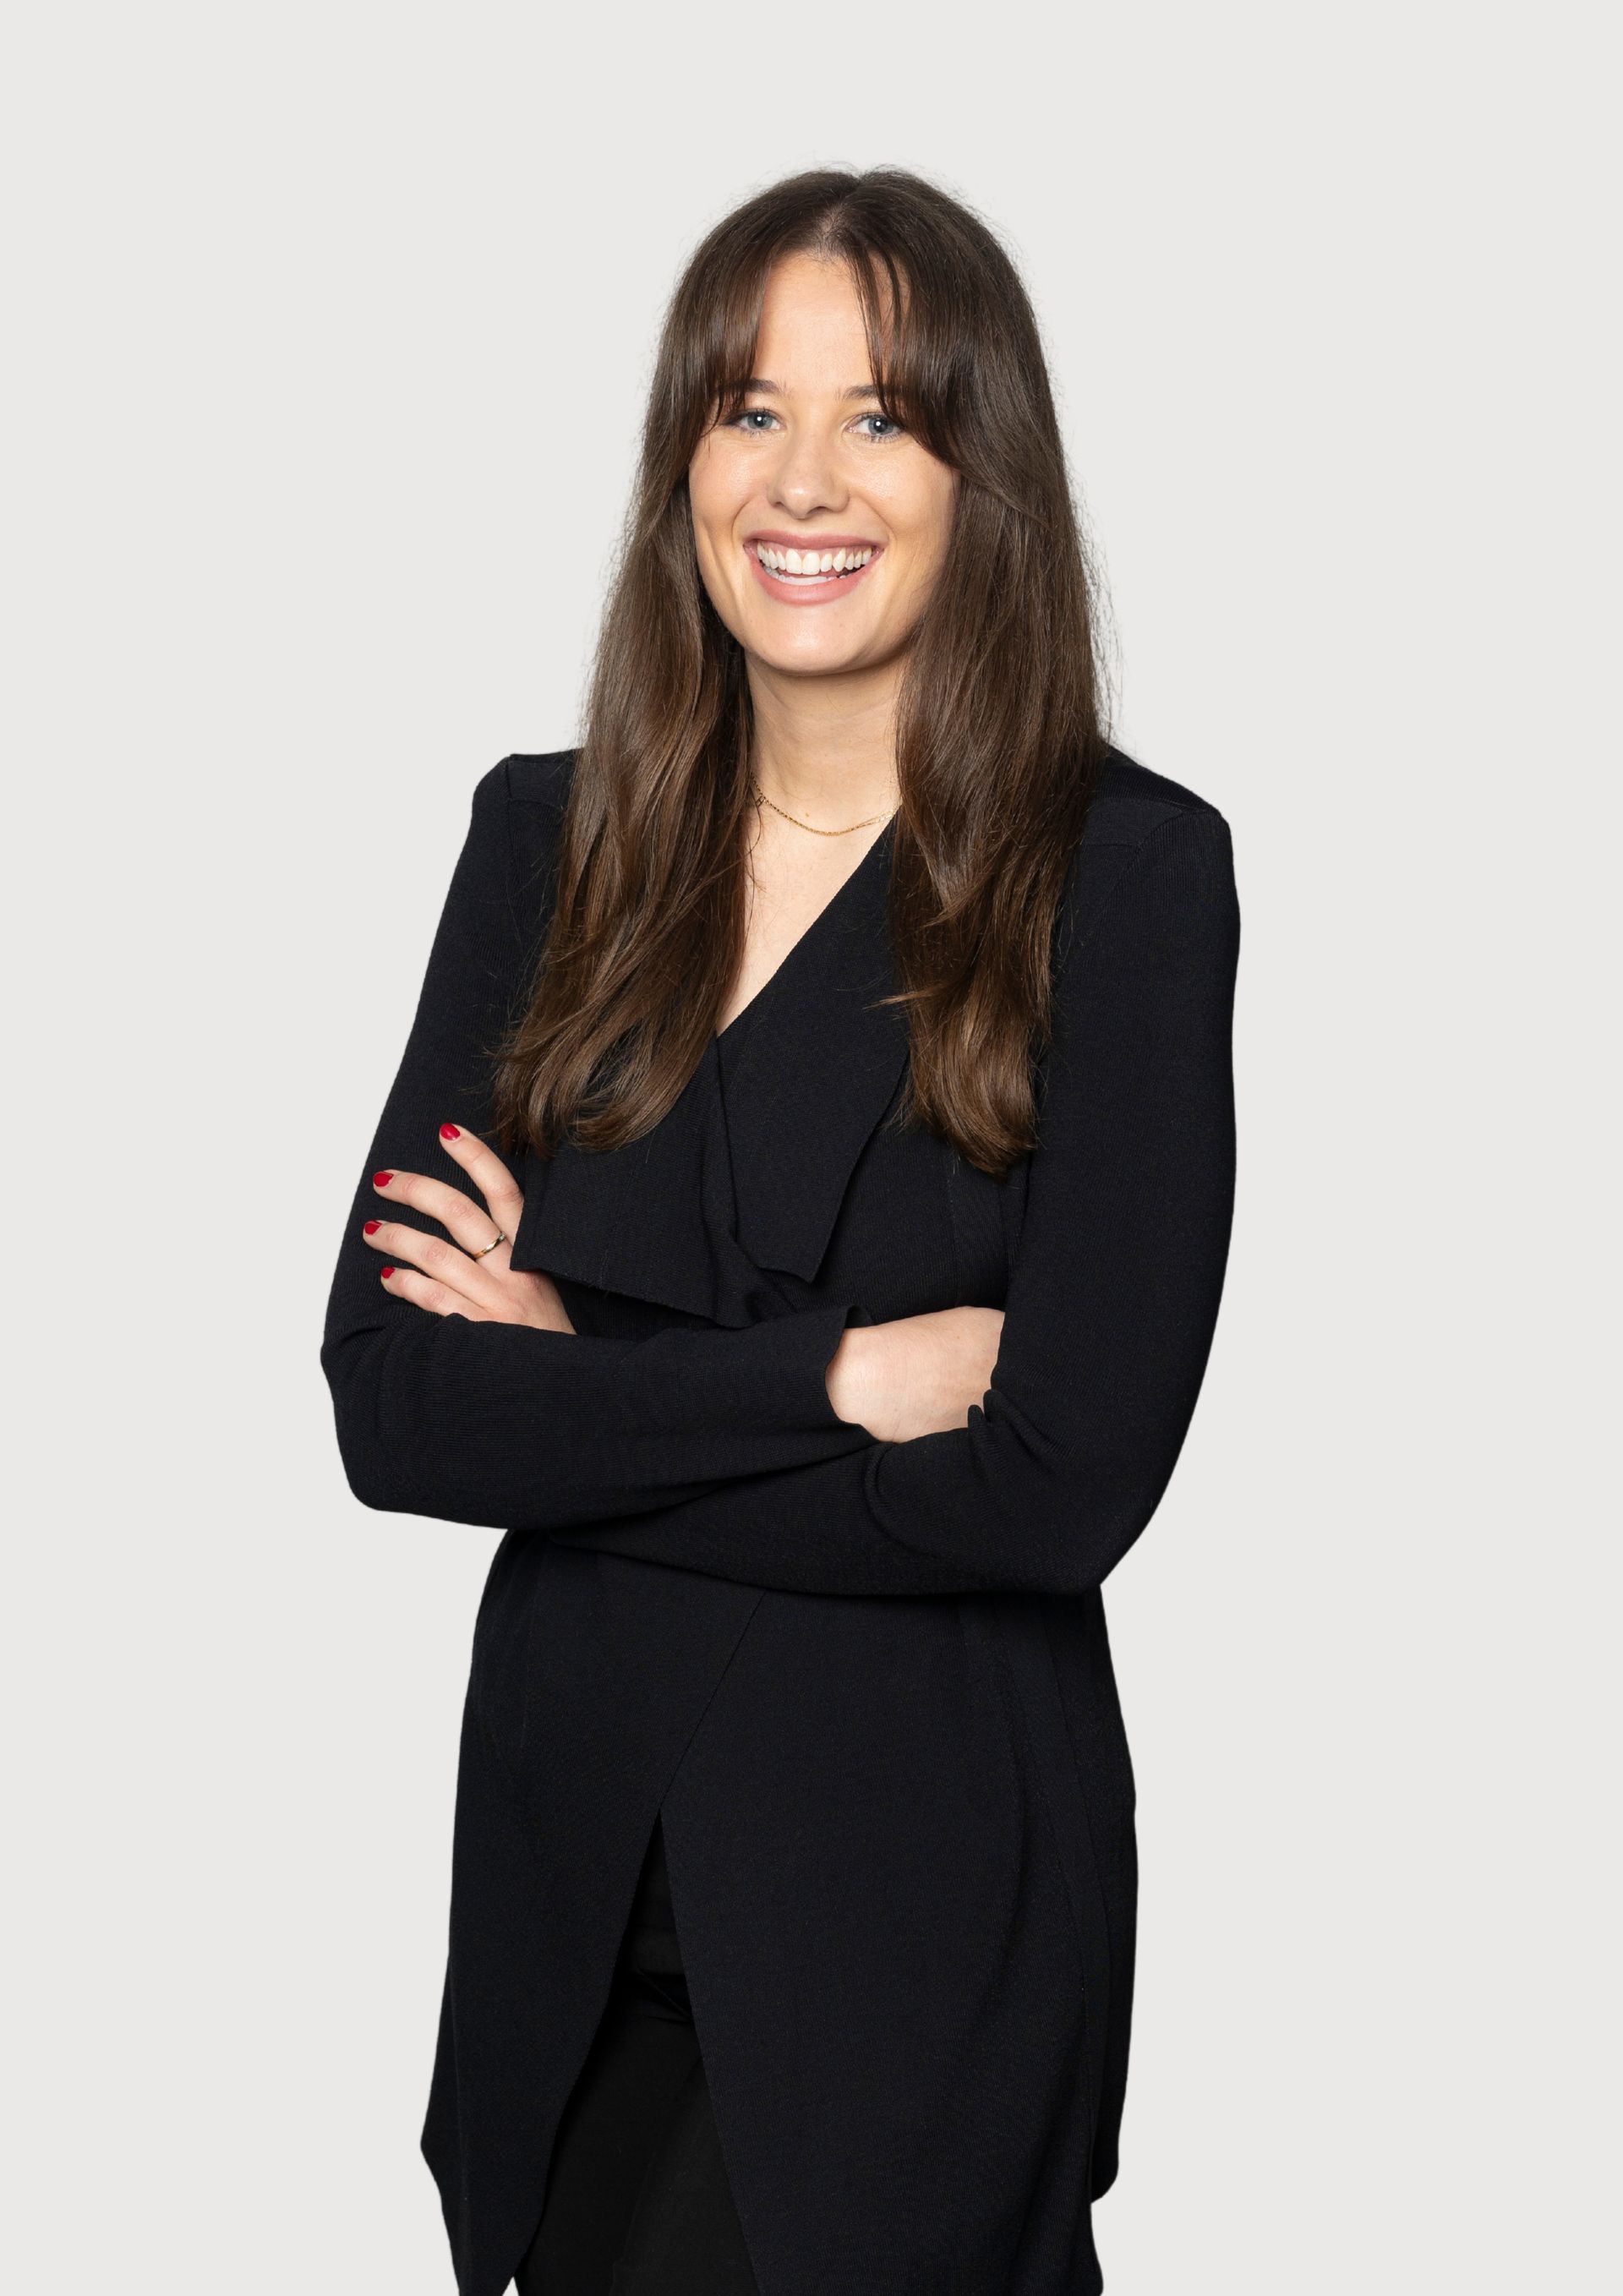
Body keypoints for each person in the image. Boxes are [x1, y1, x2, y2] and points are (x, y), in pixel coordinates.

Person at [321, 166, 1240, 2296]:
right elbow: (394, 1407)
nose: (801, 479)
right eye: (748, 410)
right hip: (567, 1915)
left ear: (974, 470)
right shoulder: (545, 840)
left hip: (910, 1923)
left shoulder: (1126, 876)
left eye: (878, 417)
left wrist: (587, 1394)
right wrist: (831, 1374)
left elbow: (1055, 1486)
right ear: (681, 463)